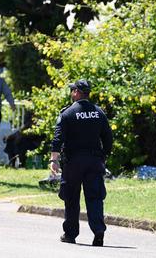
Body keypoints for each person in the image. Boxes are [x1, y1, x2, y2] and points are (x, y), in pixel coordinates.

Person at [50, 80, 113, 247]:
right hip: (94, 161)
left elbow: (57, 139)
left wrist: (54, 160)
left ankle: (70, 234)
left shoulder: (67, 113)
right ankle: (98, 231)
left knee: (71, 198)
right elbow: (108, 138)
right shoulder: (99, 113)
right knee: (95, 197)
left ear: (77, 92)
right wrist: (103, 156)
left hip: (73, 163)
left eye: (73, 90)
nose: (72, 93)